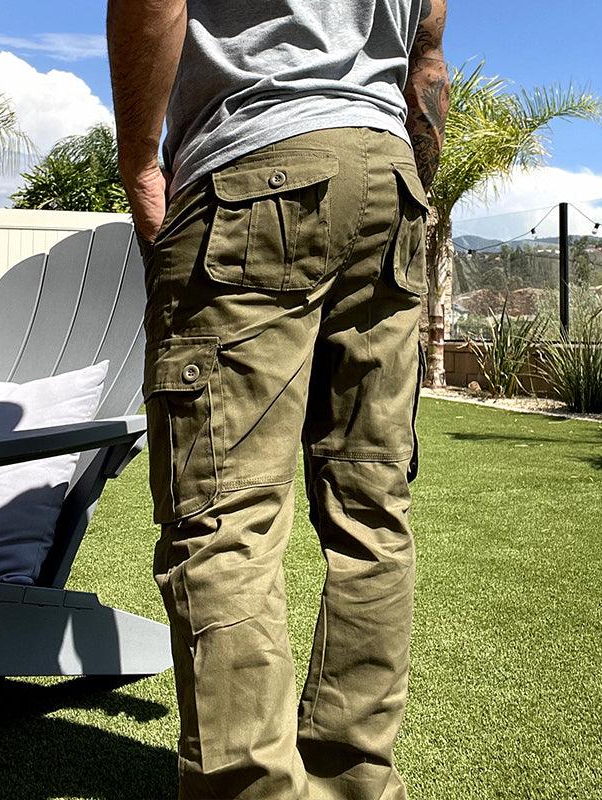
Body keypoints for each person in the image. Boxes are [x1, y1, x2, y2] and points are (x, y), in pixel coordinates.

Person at [107, 0, 449, 797]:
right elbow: (428, 54)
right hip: (389, 173)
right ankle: (355, 784)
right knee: (373, 511)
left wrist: (140, 164)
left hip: (251, 162)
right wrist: (406, 190)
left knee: (226, 515)